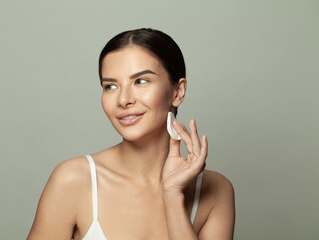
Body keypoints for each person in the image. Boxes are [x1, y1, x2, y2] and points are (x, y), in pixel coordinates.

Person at [27, 28, 235, 240]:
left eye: (140, 81)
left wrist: (172, 195)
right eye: (110, 86)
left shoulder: (216, 191)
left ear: (177, 92)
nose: (123, 99)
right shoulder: (74, 180)